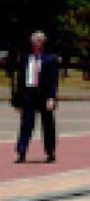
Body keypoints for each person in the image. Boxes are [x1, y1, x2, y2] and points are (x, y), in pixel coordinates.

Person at [14, 31, 59, 163]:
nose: (38, 43)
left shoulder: (49, 59)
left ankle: (50, 151)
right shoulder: (25, 59)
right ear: (31, 42)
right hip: (29, 93)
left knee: (48, 125)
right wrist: (18, 99)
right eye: (36, 40)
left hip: (44, 95)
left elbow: (53, 80)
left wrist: (51, 98)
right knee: (26, 124)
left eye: (41, 40)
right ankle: (21, 152)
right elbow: (20, 79)